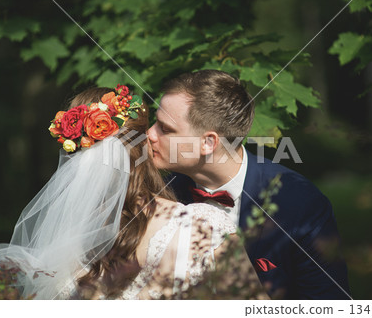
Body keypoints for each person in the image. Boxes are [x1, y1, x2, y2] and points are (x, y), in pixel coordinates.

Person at [0, 85, 266, 300]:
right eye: (153, 127)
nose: (155, 133)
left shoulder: (64, 253)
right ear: (144, 145)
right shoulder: (202, 225)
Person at [147, 70, 351, 299]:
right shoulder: (160, 194)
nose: (149, 134)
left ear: (208, 142)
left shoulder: (299, 204)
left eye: (165, 129)